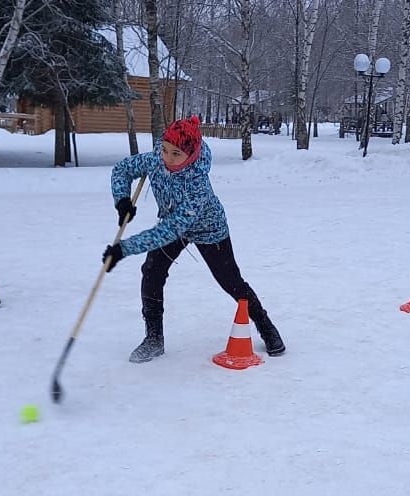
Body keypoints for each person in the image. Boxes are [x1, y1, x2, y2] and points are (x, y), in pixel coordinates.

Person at [102, 115, 285, 362]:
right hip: (173, 223)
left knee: (230, 281)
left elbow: (169, 230)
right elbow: (122, 170)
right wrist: (122, 201)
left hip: (208, 229)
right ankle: (153, 338)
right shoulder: (156, 159)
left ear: (192, 155)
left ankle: (265, 325)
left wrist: (124, 249)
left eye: (176, 154)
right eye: (165, 150)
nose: (167, 158)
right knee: (152, 271)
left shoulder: (195, 184)